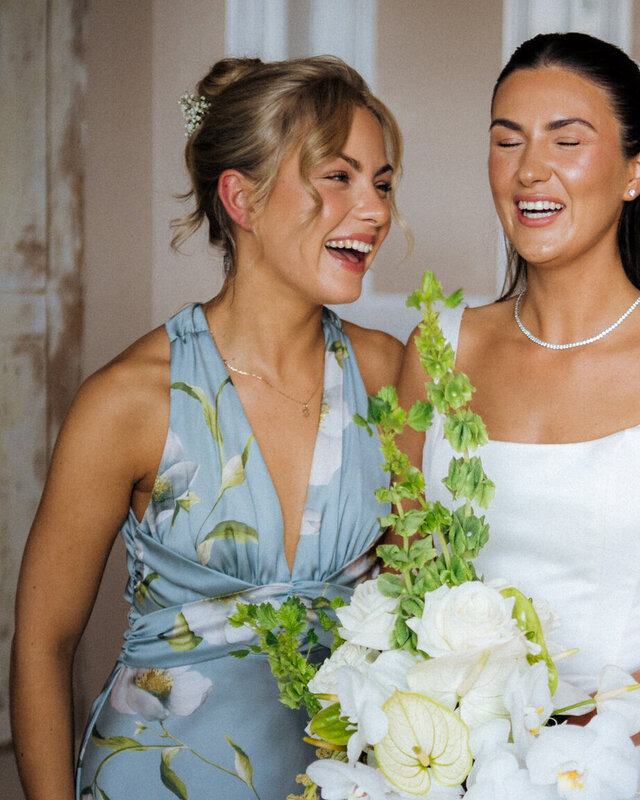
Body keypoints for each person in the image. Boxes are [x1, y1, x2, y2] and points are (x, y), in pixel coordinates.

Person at [391, 32, 640, 799]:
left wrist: (560, 747)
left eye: (566, 140)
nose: (528, 170)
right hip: (443, 768)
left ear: (637, 169)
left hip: (622, 762)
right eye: (505, 141)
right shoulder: (437, 349)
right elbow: (396, 568)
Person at [11, 56, 407, 800]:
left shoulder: (387, 376)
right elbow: (42, 645)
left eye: (381, 183)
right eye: (339, 177)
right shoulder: (129, 401)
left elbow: (427, 595)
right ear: (242, 198)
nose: (376, 209)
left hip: (345, 783)